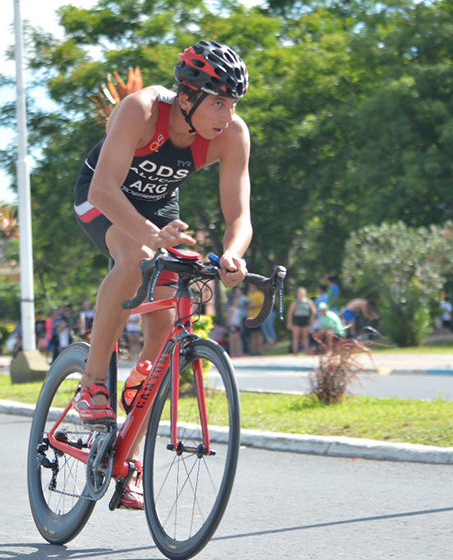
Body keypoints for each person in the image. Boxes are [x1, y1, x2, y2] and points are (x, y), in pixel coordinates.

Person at [70, 40, 252, 510]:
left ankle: (128, 448)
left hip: (159, 209)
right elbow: (105, 188)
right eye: (217, 101)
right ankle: (93, 382)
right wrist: (153, 236)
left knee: (164, 333)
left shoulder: (232, 135)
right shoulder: (142, 109)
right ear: (187, 95)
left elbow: (240, 214)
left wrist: (233, 254)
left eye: (232, 103)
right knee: (132, 256)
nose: (226, 114)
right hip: (103, 197)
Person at [287, 287, 316, 355]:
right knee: (296, 337)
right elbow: (290, 312)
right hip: (297, 319)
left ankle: (306, 351)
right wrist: (289, 322)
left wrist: (312, 318)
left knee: (305, 337)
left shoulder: (308, 301)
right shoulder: (295, 302)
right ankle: (295, 352)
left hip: (305, 319)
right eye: (299, 293)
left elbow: (314, 310)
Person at [245, 283, 265, 355]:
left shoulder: (259, 294)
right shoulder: (249, 295)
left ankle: (259, 350)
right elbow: (247, 305)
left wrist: (254, 306)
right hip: (251, 316)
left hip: (257, 316)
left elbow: (262, 304)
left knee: (258, 334)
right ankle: (253, 351)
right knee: (252, 334)